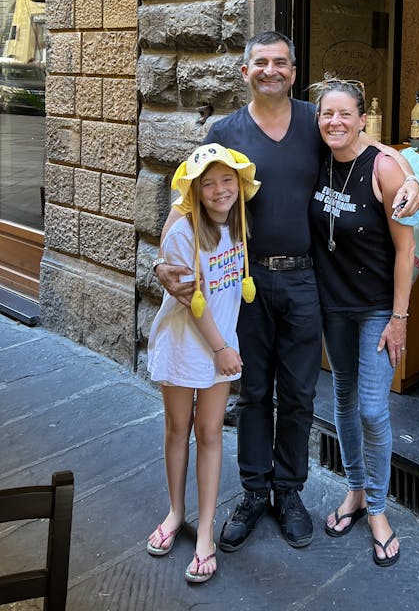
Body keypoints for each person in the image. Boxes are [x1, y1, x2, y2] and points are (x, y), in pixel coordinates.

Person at [154, 30, 419, 554]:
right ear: (245, 72)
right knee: (253, 392)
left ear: (294, 73)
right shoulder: (224, 130)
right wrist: (165, 258)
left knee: (298, 396)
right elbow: (187, 192)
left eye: (280, 63)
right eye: (261, 63)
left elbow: (366, 147)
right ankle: (254, 491)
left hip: (305, 280)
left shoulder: (314, 121)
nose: (270, 70)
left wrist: (407, 172)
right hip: (244, 279)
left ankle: (289, 491)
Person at [309, 78, 415, 567]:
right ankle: (354, 491)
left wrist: (399, 318)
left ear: (361, 119)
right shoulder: (320, 156)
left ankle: (377, 508)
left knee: (373, 409)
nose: (335, 122)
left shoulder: (385, 167)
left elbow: (405, 248)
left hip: (375, 308)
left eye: (344, 114)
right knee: (344, 400)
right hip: (334, 305)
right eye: (327, 114)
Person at [146, 143, 260, 584]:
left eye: (227, 180)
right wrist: (222, 350)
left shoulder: (240, 225)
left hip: (219, 344)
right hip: (187, 345)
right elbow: (195, 306)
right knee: (178, 429)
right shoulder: (182, 233)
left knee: (210, 432)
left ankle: (206, 531)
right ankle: (176, 513)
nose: (219, 190)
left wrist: (224, 346)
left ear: (239, 185)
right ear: (193, 191)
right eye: (207, 183)